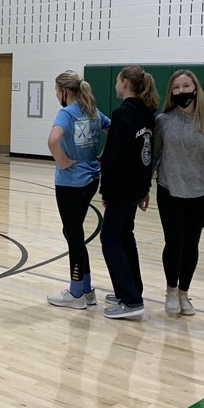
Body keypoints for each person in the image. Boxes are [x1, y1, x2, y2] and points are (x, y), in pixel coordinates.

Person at [153, 70, 204, 316]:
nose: (181, 92)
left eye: (185, 86)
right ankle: (170, 290)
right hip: (169, 190)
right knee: (174, 242)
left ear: (195, 89)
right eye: (176, 88)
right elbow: (154, 155)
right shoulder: (163, 121)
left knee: (191, 244)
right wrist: (143, 189)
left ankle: (184, 293)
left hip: (200, 194)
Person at [45, 71, 111, 310]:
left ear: (64, 91)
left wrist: (61, 161)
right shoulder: (92, 111)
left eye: (56, 91)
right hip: (91, 178)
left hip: (71, 183)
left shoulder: (67, 113)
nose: (56, 95)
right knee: (76, 234)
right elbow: (113, 130)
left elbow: (53, 140)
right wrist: (102, 156)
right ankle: (87, 290)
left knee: (73, 236)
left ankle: (75, 294)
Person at [99, 66, 158, 320]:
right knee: (125, 236)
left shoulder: (122, 114)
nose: (115, 86)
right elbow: (147, 157)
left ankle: (131, 300)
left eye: (117, 81)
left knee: (109, 239)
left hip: (121, 188)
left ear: (124, 83)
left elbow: (113, 158)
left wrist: (105, 190)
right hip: (135, 186)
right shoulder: (146, 115)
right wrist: (145, 188)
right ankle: (132, 290)